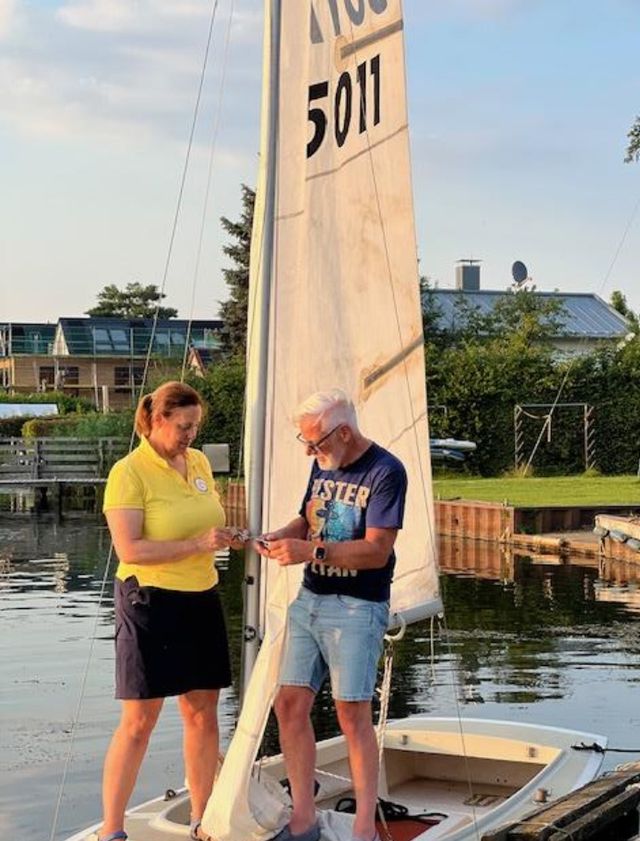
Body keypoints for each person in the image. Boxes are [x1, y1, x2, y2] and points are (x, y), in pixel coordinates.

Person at [90, 381, 240, 841]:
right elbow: (130, 547)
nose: (191, 434)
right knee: (139, 721)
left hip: (202, 597)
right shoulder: (129, 472)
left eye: (195, 425)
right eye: (183, 426)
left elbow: (204, 519)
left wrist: (227, 536)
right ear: (156, 420)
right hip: (149, 602)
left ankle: (202, 818)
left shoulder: (196, 463)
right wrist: (196, 544)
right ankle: (112, 831)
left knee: (202, 712)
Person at [255, 388, 407, 841]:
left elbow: (378, 552)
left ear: (343, 433)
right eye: (305, 443)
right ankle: (303, 817)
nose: (309, 451)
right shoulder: (323, 463)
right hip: (311, 598)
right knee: (289, 704)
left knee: (351, 714)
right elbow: (308, 517)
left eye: (316, 443)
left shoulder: (386, 471)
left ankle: (364, 825)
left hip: (358, 607)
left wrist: (310, 549)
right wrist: (280, 536)